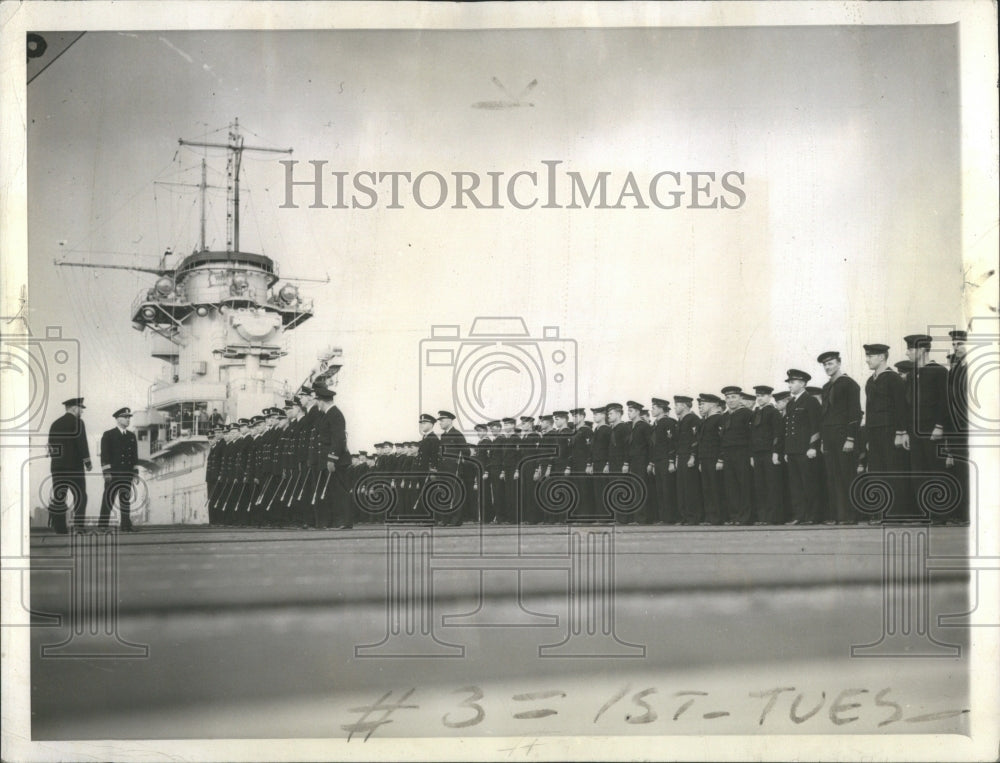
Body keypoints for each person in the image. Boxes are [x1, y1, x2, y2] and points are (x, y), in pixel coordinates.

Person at [903, 333, 951, 525]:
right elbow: (909, 405)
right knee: (919, 472)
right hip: (915, 432)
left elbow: (945, 401)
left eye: (910, 349)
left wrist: (939, 426)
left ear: (922, 349)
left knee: (935, 471)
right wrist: (906, 431)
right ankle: (926, 513)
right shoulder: (912, 374)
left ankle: (940, 515)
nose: (907, 353)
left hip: (932, 430)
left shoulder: (939, 371)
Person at [817, 351, 863, 524]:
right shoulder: (826, 387)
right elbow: (824, 415)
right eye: (825, 365)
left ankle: (851, 516)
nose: (827, 367)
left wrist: (851, 438)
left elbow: (854, 413)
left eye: (830, 363)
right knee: (833, 476)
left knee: (846, 475)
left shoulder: (849, 384)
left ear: (839, 363)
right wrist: (822, 440)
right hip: (829, 436)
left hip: (844, 435)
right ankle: (838, 515)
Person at [46, 397, 92, 532]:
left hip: (57, 467)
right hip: (74, 467)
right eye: (80, 408)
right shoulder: (79, 423)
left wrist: (57, 463)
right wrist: (87, 461)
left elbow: (51, 446)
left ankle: (60, 528)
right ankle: (78, 526)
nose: (82, 412)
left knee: (59, 496)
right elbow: (81, 443)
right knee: (81, 496)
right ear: (73, 408)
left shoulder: (54, 424)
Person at [783, 369, 822, 525]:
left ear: (803, 383)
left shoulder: (810, 401)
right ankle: (799, 515)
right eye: (789, 383)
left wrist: (813, 446)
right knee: (795, 485)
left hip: (805, 450)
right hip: (793, 450)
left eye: (792, 382)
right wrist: (787, 450)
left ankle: (812, 516)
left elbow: (816, 425)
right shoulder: (791, 403)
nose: (790, 386)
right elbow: (788, 428)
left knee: (809, 483)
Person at [99, 407, 140, 530]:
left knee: (125, 499)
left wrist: (135, 473)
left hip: (127, 473)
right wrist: (106, 472)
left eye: (129, 418)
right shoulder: (109, 435)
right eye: (125, 417)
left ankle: (126, 525)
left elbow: (134, 457)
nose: (128, 420)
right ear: (118, 419)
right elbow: (105, 455)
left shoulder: (131, 436)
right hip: (113, 474)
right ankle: (103, 524)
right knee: (108, 498)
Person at [749, 385, 783, 525]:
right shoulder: (755, 413)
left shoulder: (773, 412)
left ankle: (773, 517)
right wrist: (752, 455)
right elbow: (752, 435)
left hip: (769, 453)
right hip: (757, 454)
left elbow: (778, 433)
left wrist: (775, 452)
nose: (759, 398)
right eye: (757, 396)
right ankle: (763, 517)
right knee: (760, 485)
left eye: (762, 396)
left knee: (771, 485)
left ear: (769, 397)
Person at [719, 386, 753, 525]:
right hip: (728, 453)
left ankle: (745, 517)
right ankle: (734, 516)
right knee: (731, 486)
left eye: (733, 397)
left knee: (744, 485)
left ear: (740, 398)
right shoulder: (725, 416)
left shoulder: (746, 413)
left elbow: (751, 436)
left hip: (742, 453)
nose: (730, 400)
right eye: (728, 398)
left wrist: (750, 455)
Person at [695, 394, 725, 525]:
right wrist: (701, 461)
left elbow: (722, 440)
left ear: (713, 405)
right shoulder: (705, 421)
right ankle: (710, 517)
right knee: (707, 489)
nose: (701, 406)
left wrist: (720, 459)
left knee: (715, 488)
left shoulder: (719, 419)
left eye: (704, 404)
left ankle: (718, 517)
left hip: (714, 458)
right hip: (705, 458)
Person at [673, 395, 702, 525]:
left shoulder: (693, 419)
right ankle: (684, 516)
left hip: (689, 456)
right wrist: (677, 458)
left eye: (678, 405)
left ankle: (692, 517)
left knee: (690, 488)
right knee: (682, 488)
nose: (675, 407)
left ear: (685, 405)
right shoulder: (681, 420)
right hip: (682, 456)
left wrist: (693, 455)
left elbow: (695, 439)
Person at [437, 411, 470, 526]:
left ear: (450, 421)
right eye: (439, 421)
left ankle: (456, 519)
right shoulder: (443, 436)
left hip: (454, 469)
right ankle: (445, 519)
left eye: (442, 420)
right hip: (444, 469)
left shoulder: (457, 434)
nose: (440, 423)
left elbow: (466, 452)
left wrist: (460, 461)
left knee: (456, 494)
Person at [649, 397, 677, 524]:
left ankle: (670, 517)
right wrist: (654, 463)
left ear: (661, 409)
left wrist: (671, 461)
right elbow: (654, 445)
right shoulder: (656, 424)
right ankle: (663, 517)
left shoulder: (668, 422)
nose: (652, 410)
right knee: (660, 490)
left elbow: (671, 442)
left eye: (654, 408)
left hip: (666, 459)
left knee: (667, 489)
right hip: (659, 460)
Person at [626, 400, 652, 524]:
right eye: (628, 411)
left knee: (641, 488)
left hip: (642, 461)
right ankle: (638, 517)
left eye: (631, 411)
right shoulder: (633, 426)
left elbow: (651, 445)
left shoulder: (644, 426)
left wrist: (650, 462)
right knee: (635, 489)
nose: (628, 414)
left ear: (637, 412)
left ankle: (643, 518)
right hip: (634, 461)